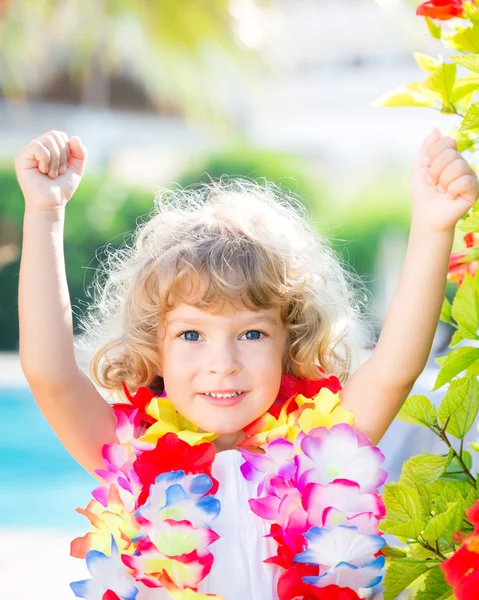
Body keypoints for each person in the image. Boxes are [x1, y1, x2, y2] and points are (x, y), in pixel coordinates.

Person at [15, 128, 479, 600]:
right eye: (191, 334)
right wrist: (46, 213)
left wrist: (432, 227)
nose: (223, 363)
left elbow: (394, 368)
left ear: (289, 341)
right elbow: (51, 375)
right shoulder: (130, 457)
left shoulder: (317, 455)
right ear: (155, 347)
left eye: (252, 334)